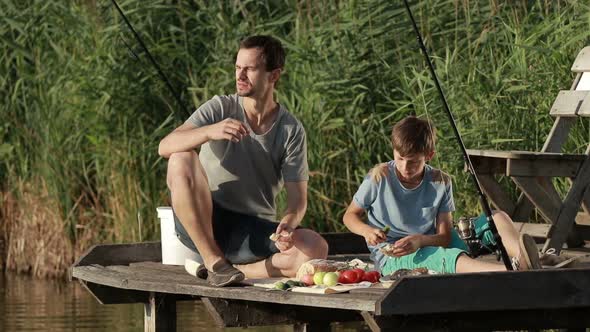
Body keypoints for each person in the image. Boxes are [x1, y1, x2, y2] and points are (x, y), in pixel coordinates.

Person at [158, 35, 328, 287]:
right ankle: (213, 259)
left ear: (274, 75)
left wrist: (287, 226)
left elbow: (297, 202)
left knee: (315, 248)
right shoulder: (220, 107)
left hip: (251, 229)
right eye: (238, 67)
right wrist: (208, 131)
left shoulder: (291, 129)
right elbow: (165, 146)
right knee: (181, 157)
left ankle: (233, 269)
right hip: (203, 221)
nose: (240, 75)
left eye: (249, 69)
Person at [342, 116, 541, 275]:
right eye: (399, 158)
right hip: (394, 257)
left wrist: (420, 240)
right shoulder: (379, 177)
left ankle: (523, 259)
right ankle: (509, 273)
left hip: (430, 242)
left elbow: (445, 237)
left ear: (429, 156)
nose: (404, 167)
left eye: (413, 162)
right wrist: (367, 231)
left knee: (497, 218)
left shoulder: (441, 181)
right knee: (439, 256)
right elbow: (349, 216)